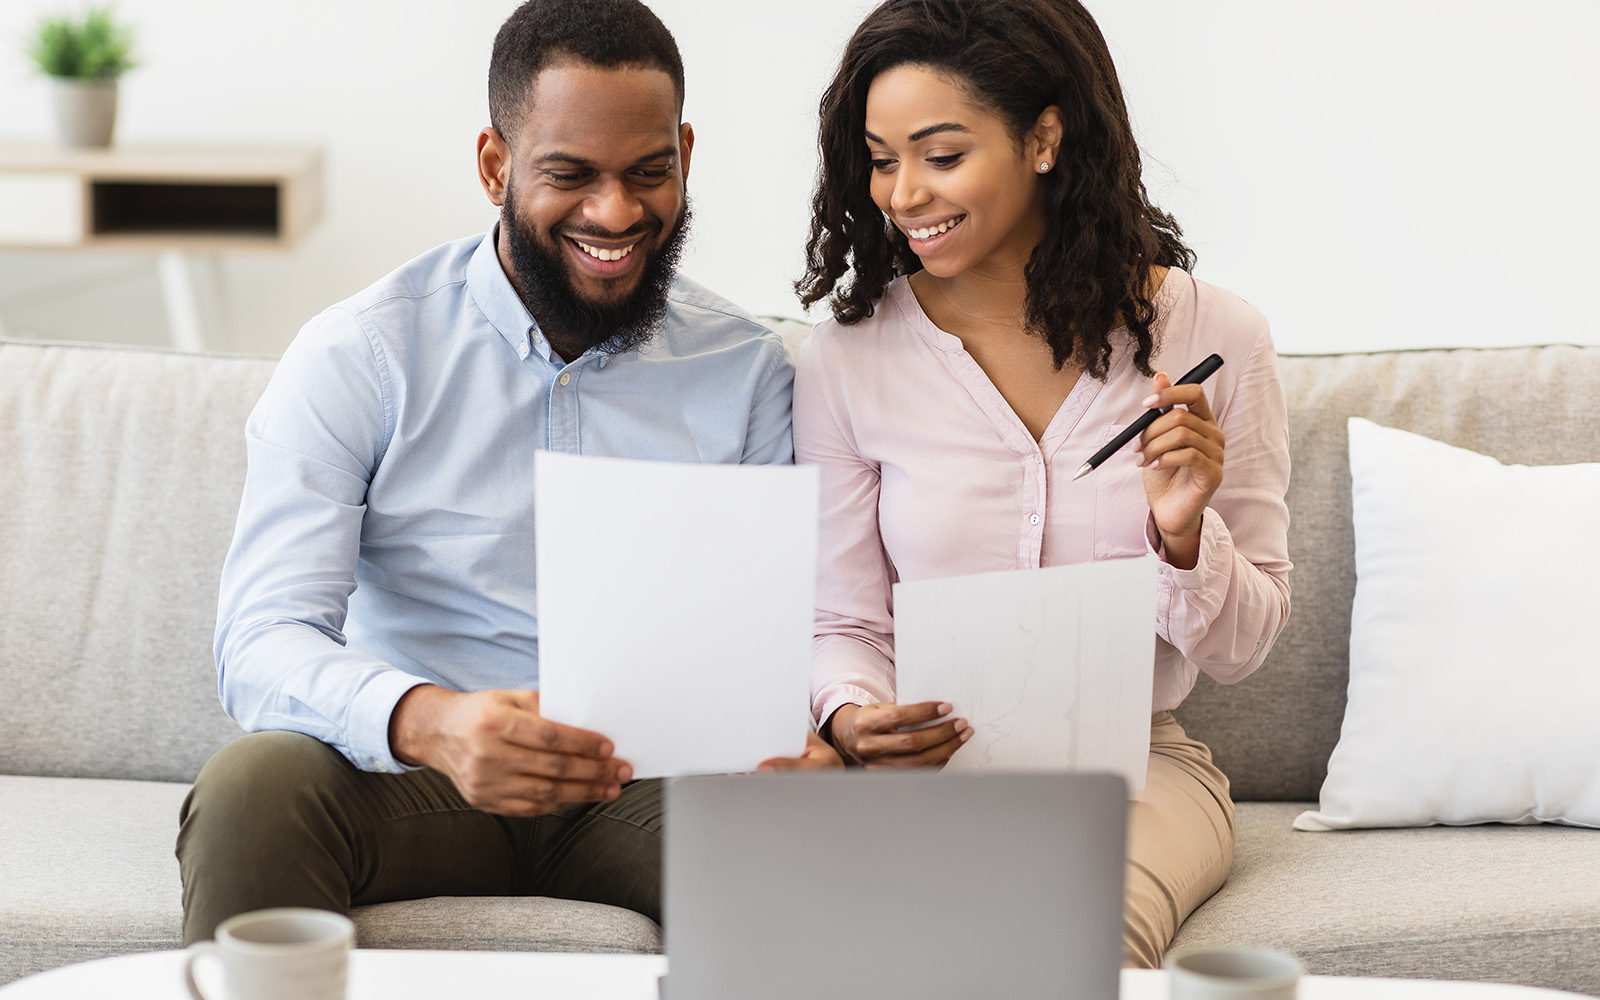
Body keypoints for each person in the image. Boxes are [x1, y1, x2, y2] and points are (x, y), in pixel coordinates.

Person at [178, 0, 833, 946]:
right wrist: (430, 721)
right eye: (570, 175)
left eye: (649, 173)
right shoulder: (361, 354)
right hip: (414, 780)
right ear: (495, 164)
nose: (616, 213)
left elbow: (784, 627)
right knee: (252, 786)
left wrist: (806, 734)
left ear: (685, 151)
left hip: (641, 789)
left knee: (807, 833)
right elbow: (261, 638)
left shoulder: (746, 369)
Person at [794, 0, 1292, 968]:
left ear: (1045, 138)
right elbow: (841, 622)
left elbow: (1245, 647)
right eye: (880, 157)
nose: (900, 194)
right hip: (924, 771)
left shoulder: (1216, 338)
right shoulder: (848, 360)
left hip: (1136, 768)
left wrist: (1183, 536)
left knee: (1069, 940)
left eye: (940, 157)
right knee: (832, 946)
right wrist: (855, 714)